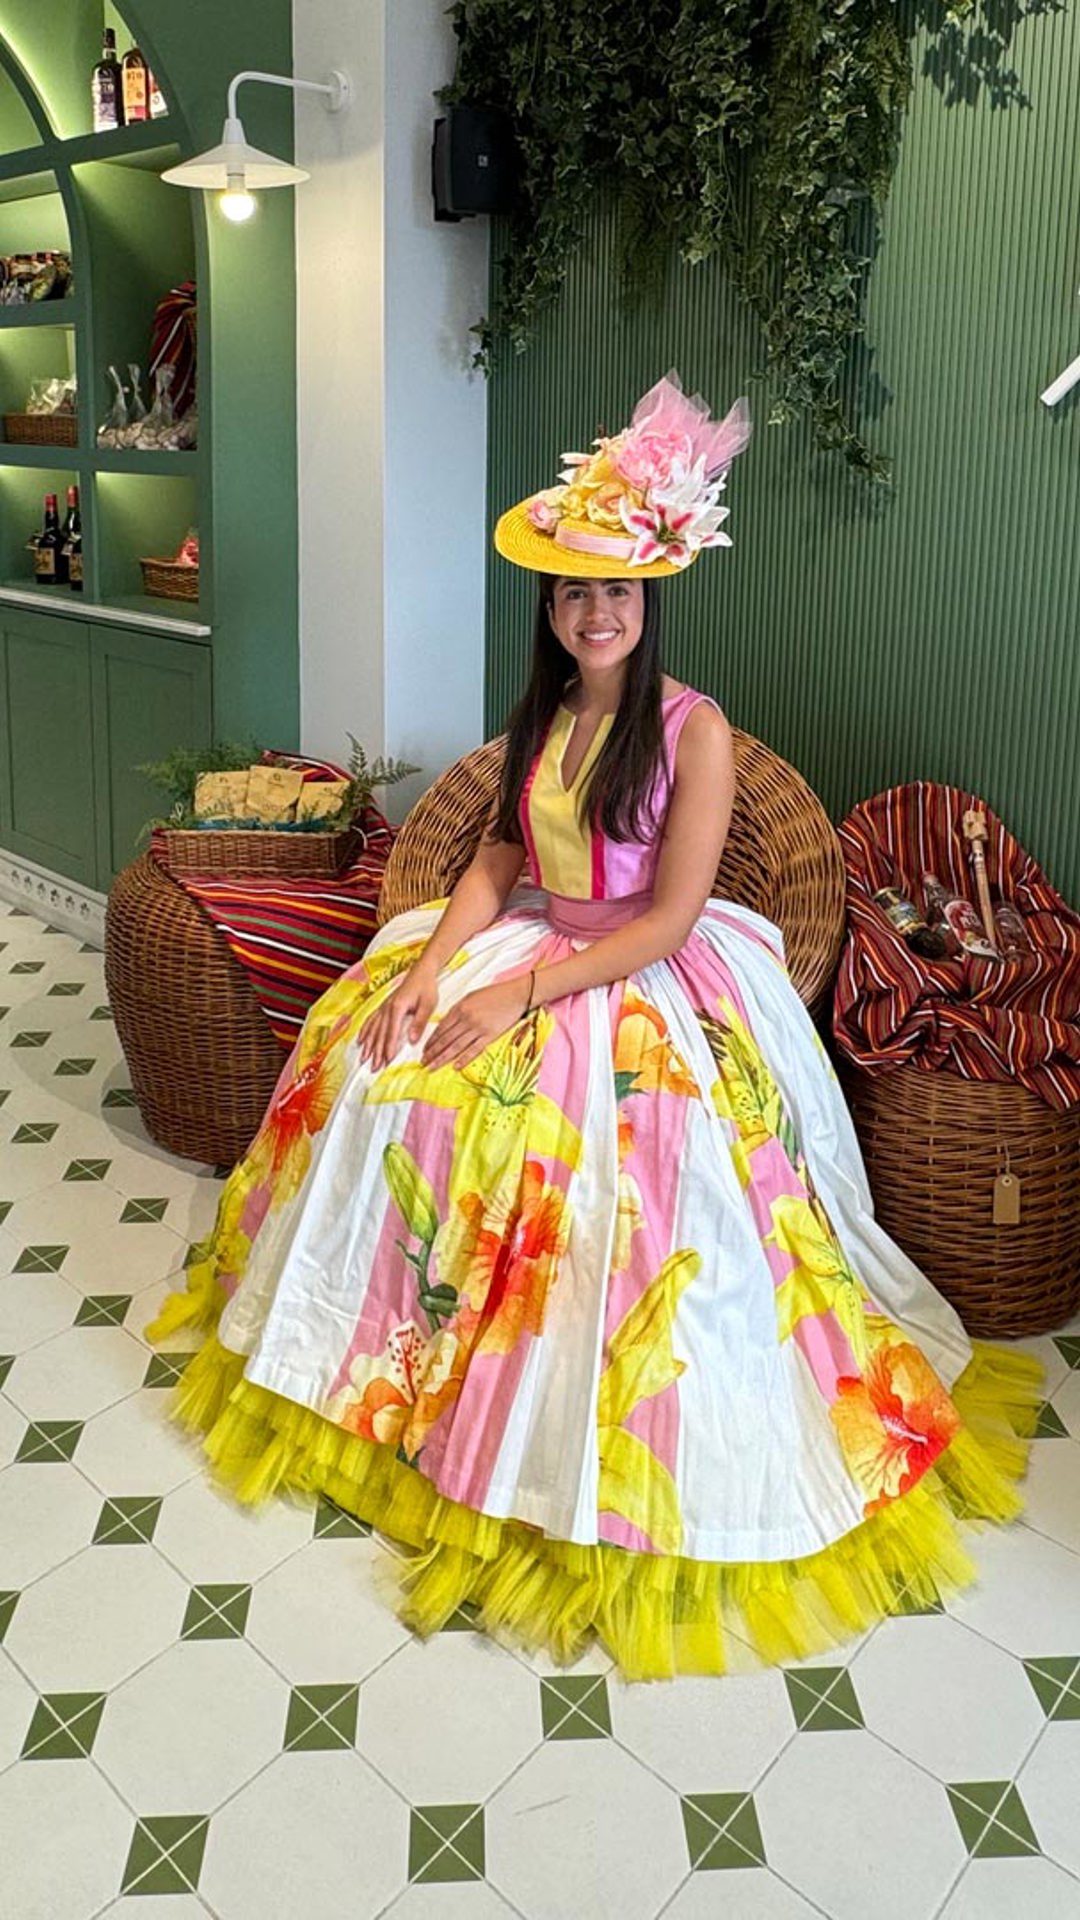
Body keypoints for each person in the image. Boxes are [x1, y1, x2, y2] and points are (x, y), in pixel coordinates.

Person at [151, 373, 1040, 1680]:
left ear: (649, 603)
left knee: (604, 1189)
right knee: (395, 1081)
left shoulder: (695, 729)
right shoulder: (546, 716)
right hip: (526, 942)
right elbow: (504, 863)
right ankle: (400, 1375)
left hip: (637, 976)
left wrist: (519, 992)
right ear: (552, 612)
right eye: (574, 592)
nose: (597, 611)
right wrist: (435, 966)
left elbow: (672, 921)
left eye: (618, 591)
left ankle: (571, 1436)